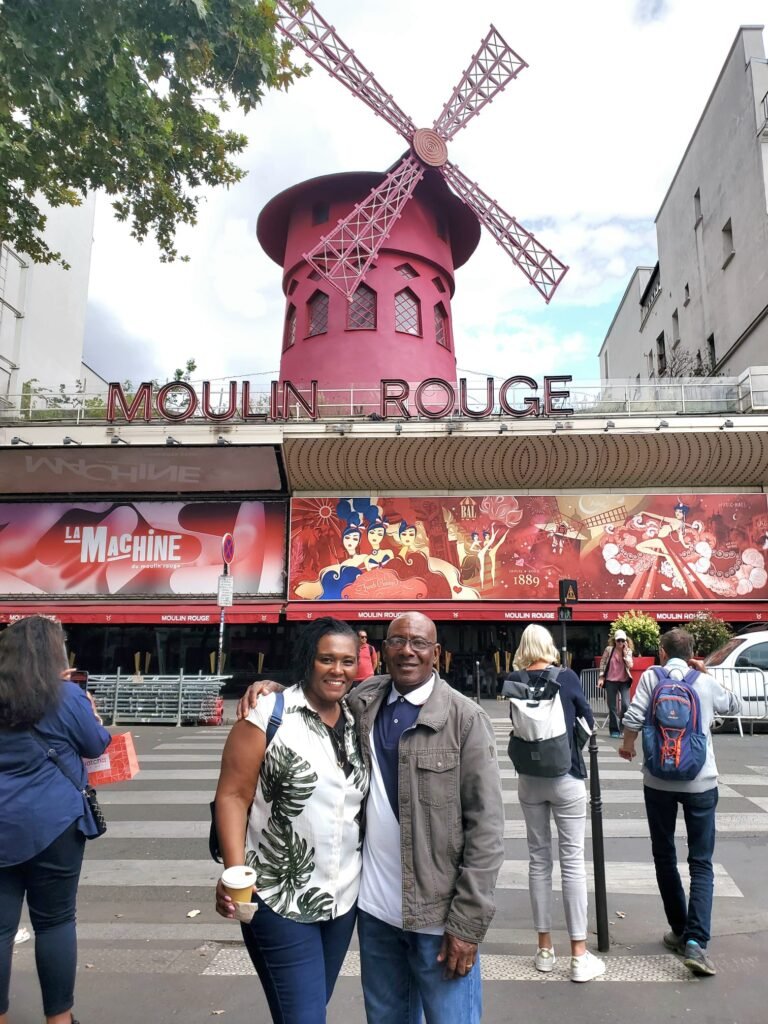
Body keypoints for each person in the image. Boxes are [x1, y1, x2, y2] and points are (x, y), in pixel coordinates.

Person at [235, 612, 505, 1024]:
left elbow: (487, 832)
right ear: (381, 652)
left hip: (437, 917)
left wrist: (468, 925)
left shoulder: (465, 720)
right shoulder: (365, 701)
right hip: (376, 914)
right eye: (398, 641)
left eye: (419, 643)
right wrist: (273, 691)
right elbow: (317, 691)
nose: (408, 651)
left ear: (437, 653)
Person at [214, 617, 368, 1024]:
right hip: (277, 896)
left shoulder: (357, 718)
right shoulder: (268, 714)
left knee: (307, 1009)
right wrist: (235, 874)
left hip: (342, 899)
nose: (338, 670)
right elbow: (231, 796)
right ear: (308, 660)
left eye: (347, 661)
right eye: (327, 659)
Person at [0, 615, 111, 1024]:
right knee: (55, 922)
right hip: (55, 823)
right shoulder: (65, 696)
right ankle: (59, 1020)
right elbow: (96, 742)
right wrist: (89, 709)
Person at [619, 627, 742, 977]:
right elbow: (732, 704)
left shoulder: (651, 678)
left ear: (660, 652)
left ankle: (678, 930)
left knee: (664, 855)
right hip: (700, 780)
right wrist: (707, 675)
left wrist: (628, 745)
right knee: (701, 862)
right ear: (692, 653)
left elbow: (632, 716)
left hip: (657, 780)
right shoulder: (700, 680)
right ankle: (695, 942)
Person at [504, 624, 605, 983]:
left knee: (538, 861)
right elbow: (588, 722)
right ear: (548, 646)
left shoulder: (513, 679)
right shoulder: (567, 677)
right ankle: (578, 954)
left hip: (529, 781)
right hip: (566, 777)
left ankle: (544, 949)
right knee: (573, 861)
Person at [597, 628, 634, 737]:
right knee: (612, 706)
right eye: (618, 641)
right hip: (610, 681)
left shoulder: (628, 651)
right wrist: (601, 677)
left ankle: (622, 728)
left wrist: (625, 653)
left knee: (626, 704)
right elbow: (603, 662)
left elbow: (630, 665)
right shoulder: (609, 650)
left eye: (623, 641)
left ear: (626, 641)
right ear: (615, 641)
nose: (620, 643)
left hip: (624, 681)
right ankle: (614, 730)